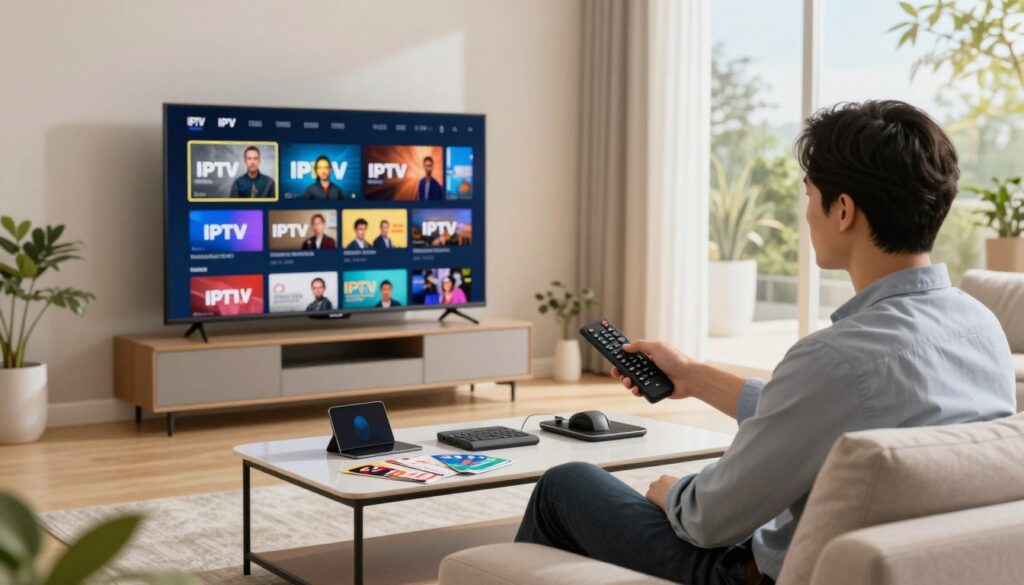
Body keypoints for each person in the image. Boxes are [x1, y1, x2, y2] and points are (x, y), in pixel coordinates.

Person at [514, 100, 1017, 585]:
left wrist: (673, 494)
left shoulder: (836, 358)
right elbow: (831, 412)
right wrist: (691, 375)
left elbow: (708, 520)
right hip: (915, 565)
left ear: (843, 210)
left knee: (567, 484)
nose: (806, 214)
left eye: (808, 194)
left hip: (760, 575)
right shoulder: (980, 326)